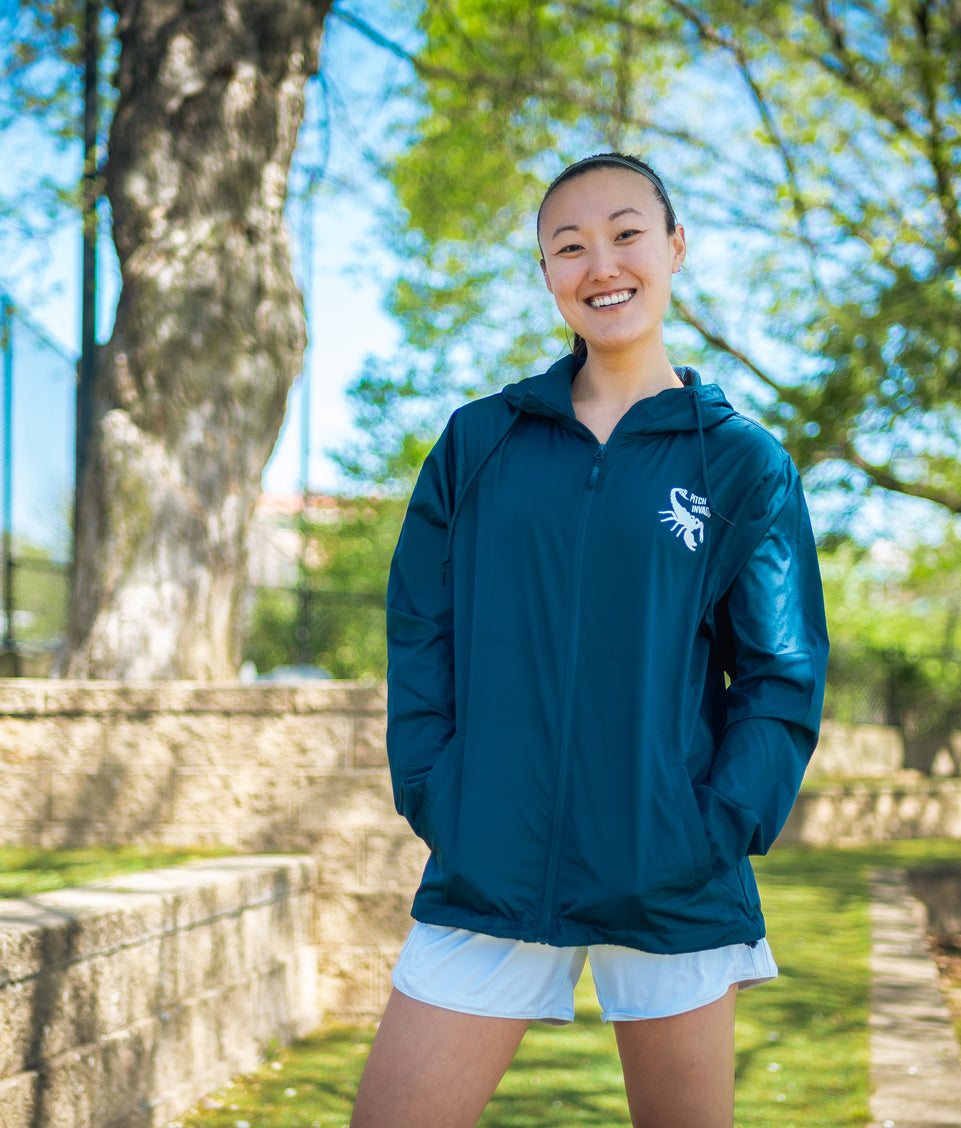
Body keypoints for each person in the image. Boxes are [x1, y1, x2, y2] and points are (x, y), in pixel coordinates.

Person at [352, 153, 829, 1128]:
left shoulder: (741, 462)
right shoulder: (478, 442)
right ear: (544, 271)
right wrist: (438, 791)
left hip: (671, 876)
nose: (599, 263)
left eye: (624, 234)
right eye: (567, 245)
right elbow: (419, 631)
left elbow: (778, 673)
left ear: (673, 248)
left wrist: (710, 829)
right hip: (490, 861)